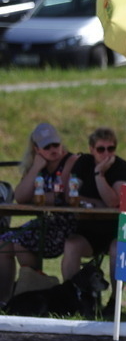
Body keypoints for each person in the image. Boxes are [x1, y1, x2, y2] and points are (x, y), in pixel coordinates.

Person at [0, 123, 79, 307]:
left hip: (69, 225)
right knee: (3, 242)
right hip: (46, 223)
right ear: (36, 150)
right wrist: (35, 168)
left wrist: (39, 197)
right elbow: (20, 197)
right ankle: (4, 300)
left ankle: (33, 290)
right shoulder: (38, 167)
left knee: (19, 241)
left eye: (56, 145)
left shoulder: (71, 161)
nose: (53, 150)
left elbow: (65, 196)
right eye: (47, 147)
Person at [61, 127, 126, 316]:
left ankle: (115, 302)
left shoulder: (123, 169)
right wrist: (94, 202)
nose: (106, 153)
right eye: (101, 149)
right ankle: (73, 298)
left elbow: (114, 202)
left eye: (110, 149)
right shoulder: (82, 163)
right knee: (71, 245)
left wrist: (99, 175)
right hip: (89, 232)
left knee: (117, 248)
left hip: (119, 230)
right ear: (91, 149)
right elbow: (72, 197)